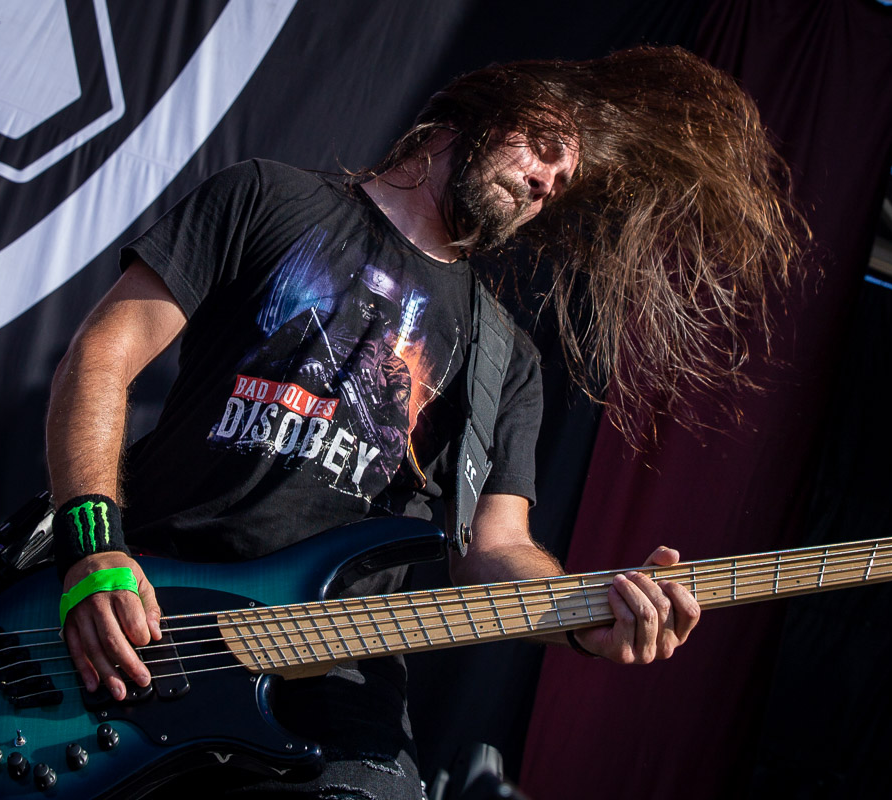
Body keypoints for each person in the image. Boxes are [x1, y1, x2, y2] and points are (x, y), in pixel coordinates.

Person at [46, 46, 808, 797]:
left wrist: (587, 614)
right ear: (473, 113)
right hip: (148, 614)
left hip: (334, 678)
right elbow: (103, 357)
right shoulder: (265, 196)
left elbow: (493, 549)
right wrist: (93, 549)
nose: (546, 180)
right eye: (544, 147)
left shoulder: (503, 356)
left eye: (561, 182)